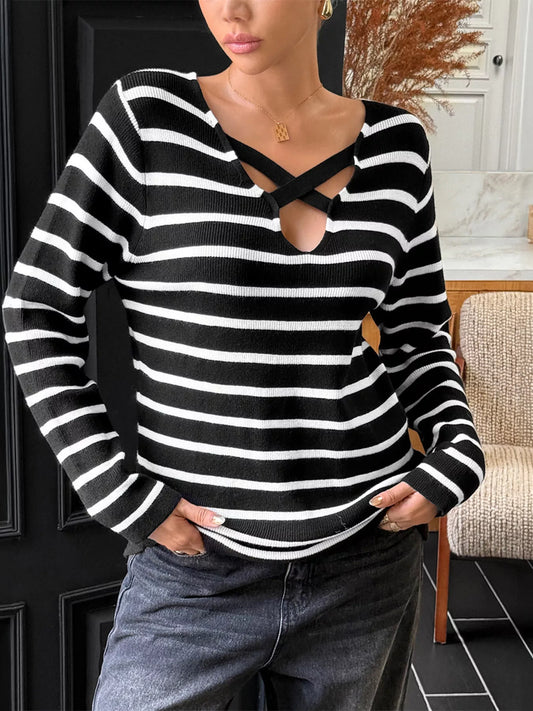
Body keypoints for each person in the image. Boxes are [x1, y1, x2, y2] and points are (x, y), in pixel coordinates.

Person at [2, 1, 486, 709]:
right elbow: (36, 307)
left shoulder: (397, 146)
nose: (229, 9)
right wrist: (111, 486)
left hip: (367, 555)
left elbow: (418, 333)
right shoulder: (147, 117)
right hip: (198, 568)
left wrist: (458, 449)